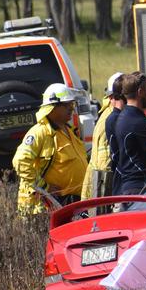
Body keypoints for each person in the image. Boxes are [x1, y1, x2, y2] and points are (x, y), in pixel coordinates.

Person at [12, 83, 88, 213]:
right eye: (66, 105)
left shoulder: (68, 130)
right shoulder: (40, 132)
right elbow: (20, 161)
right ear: (52, 108)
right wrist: (43, 187)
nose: (71, 108)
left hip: (71, 201)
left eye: (72, 104)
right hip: (48, 203)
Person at [112, 71, 146, 196]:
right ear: (140, 92)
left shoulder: (124, 116)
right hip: (140, 188)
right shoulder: (138, 122)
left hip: (131, 187)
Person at [80, 72, 123, 200]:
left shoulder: (106, 113)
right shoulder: (113, 117)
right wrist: (105, 187)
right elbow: (104, 162)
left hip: (97, 180)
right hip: (104, 181)